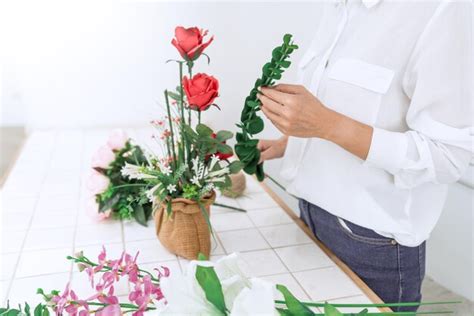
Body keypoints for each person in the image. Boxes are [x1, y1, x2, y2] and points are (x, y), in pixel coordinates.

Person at [257, 0, 472, 311]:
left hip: (373, 247)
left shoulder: (441, 10)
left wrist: (325, 124)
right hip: (309, 215)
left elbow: (447, 156)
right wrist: (291, 143)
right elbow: (356, 110)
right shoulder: (339, 6)